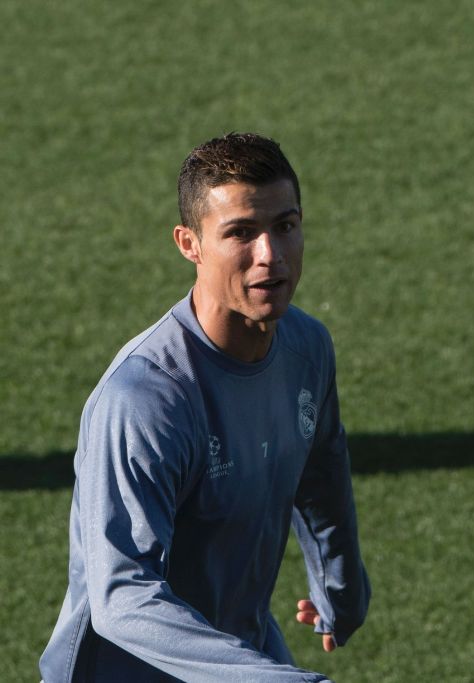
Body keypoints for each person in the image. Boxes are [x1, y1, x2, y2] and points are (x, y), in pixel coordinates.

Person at [39, 132, 371, 682]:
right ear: (188, 243)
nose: (270, 255)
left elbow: (320, 463)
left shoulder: (307, 347)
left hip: (241, 652)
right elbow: (122, 594)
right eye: (241, 233)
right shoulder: (144, 400)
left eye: (285, 226)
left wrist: (342, 585)